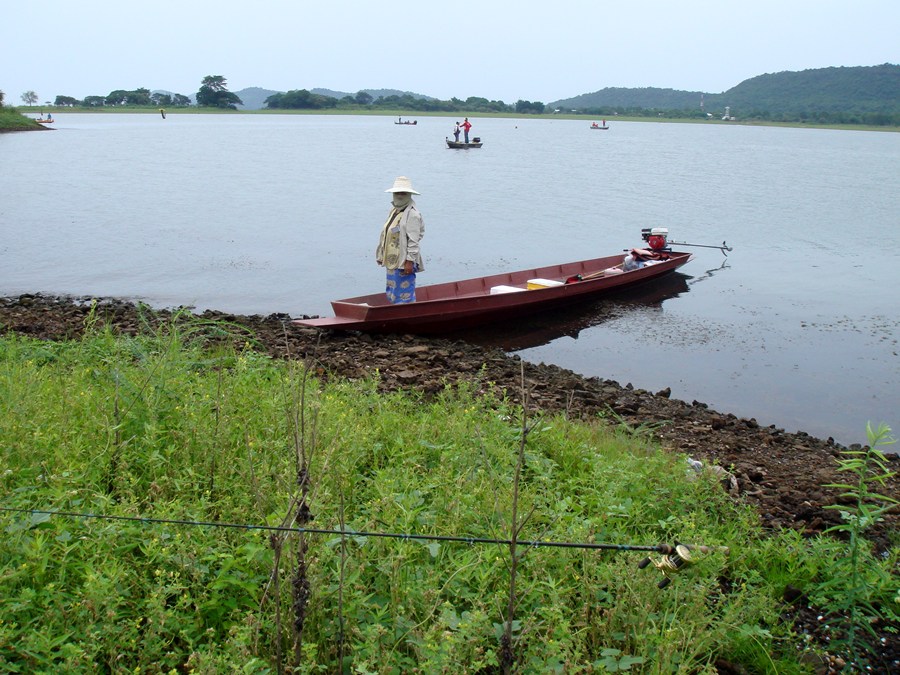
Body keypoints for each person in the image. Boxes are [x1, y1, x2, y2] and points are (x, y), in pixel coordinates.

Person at [376, 176, 425, 304]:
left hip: (404, 260)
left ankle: (407, 316)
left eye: (403, 193)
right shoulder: (394, 211)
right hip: (392, 260)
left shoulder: (412, 214)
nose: (399, 196)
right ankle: (394, 314)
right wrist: (381, 254)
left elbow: (414, 240)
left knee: (404, 295)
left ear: (409, 194)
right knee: (392, 290)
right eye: (397, 193)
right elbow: (386, 234)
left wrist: (409, 261)